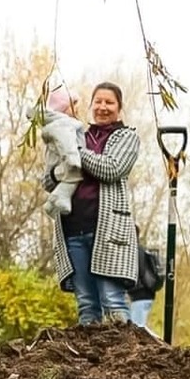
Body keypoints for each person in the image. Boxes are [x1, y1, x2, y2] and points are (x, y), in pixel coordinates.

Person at [45, 82, 141, 325]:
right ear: (91, 105)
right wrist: (61, 169)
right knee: (86, 304)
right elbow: (48, 179)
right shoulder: (78, 134)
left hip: (108, 231)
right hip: (72, 228)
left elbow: (110, 168)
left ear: (119, 108)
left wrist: (75, 152)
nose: (103, 107)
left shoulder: (127, 137)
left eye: (109, 102)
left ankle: (125, 358)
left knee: (113, 301)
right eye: (98, 101)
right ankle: (91, 363)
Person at [30, 85, 86, 218]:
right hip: (67, 163)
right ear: (64, 108)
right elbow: (65, 141)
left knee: (72, 179)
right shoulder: (64, 124)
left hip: (61, 165)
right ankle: (58, 199)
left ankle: (55, 201)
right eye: (74, 104)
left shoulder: (59, 124)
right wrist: (72, 159)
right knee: (75, 176)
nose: (77, 109)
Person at [127, 225, 165, 336]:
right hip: (146, 295)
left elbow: (139, 272)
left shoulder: (135, 252)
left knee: (137, 330)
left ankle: (159, 345)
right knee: (139, 327)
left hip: (140, 295)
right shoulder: (142, 250)